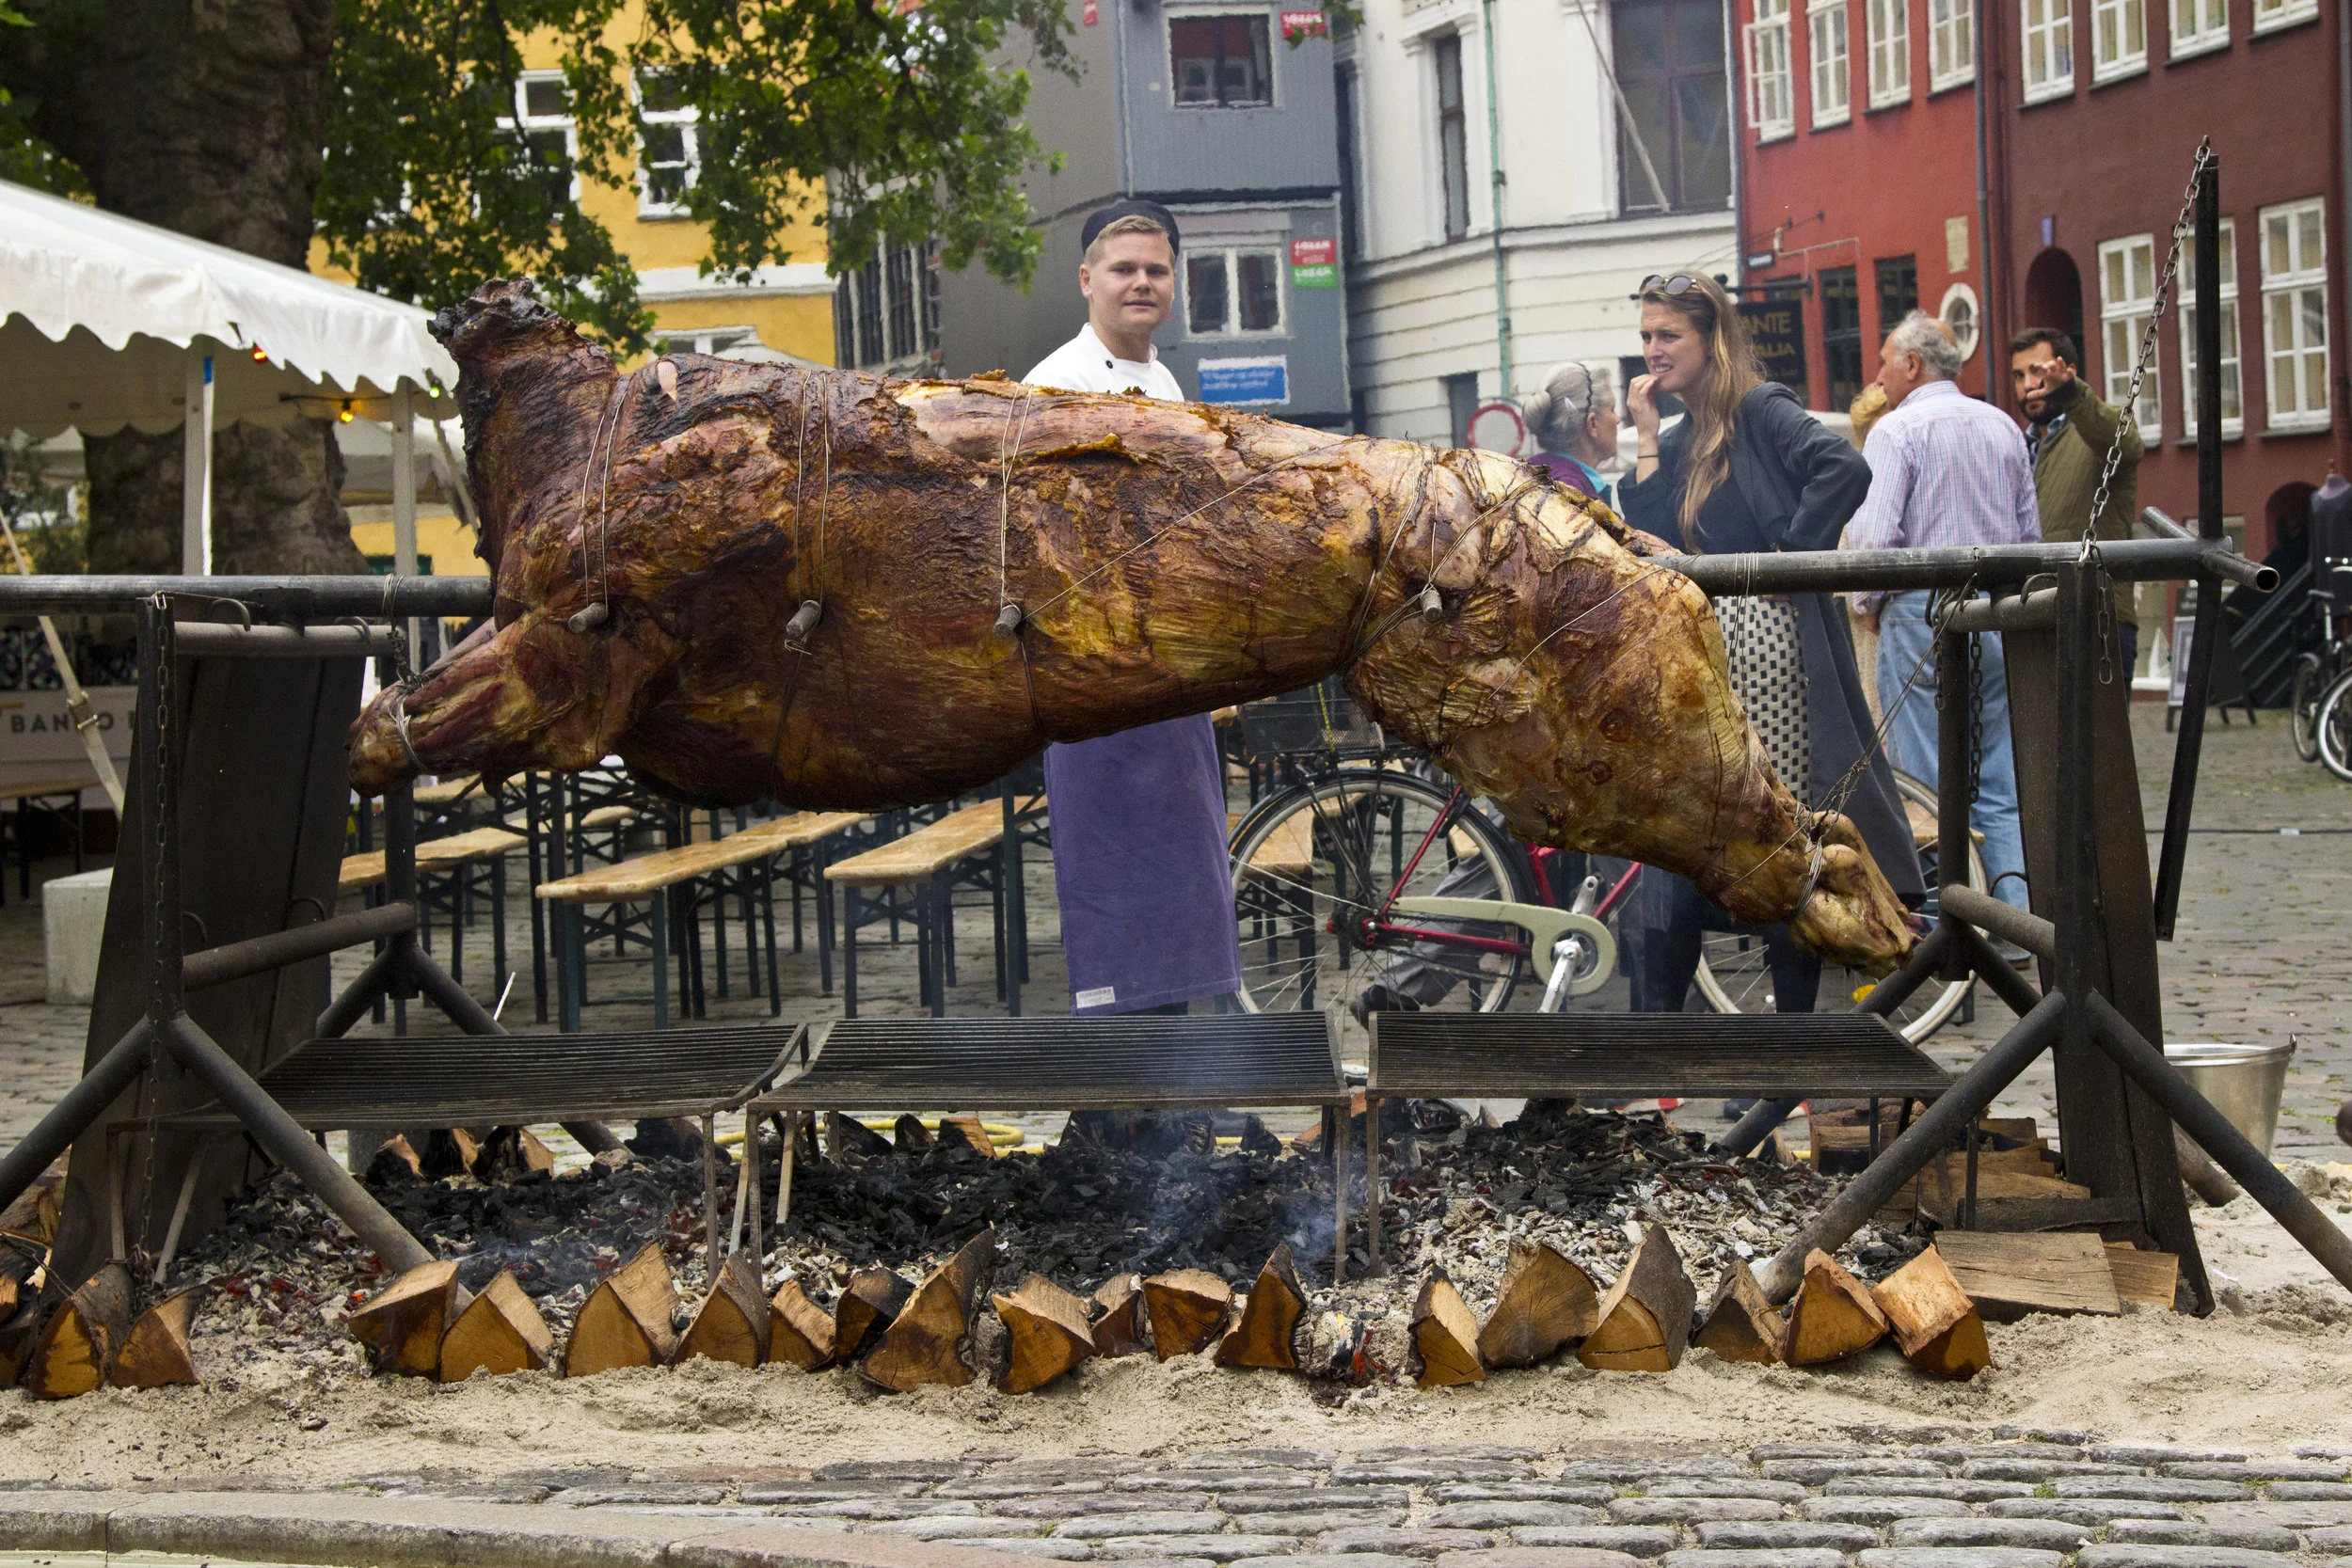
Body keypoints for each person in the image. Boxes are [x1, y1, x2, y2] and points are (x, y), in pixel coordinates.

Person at [1617, 272, 1922, 1018]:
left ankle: (1789, 1052)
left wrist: (1790, 556)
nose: (1653, 351)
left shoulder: (1759, 408)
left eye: (1668, 336)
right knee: (1679, 846)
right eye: (1646, 337)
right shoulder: (1689, 433)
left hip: (1771, 655)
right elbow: (1658, 533)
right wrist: (1650, 436)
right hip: (1706, 654)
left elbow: (1844, 466)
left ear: (1710, 338)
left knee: (1774, 842)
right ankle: (1665, 1054)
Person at [1022, 200, 1241, 1016]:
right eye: (1124, 269)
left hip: (1167, 673)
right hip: (1098, 679)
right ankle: (1129, 1106)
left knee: (1185, 896)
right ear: (1087, 281)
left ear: (1174, 283)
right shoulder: (1058, 384)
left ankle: (1183, 1099)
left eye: (1155, 269)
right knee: (1120, 898)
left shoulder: (1167, 381)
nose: (1141, 283)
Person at [1848, 310, 2040, 911]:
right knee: (1999, 782)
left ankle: (1947, 922)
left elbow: (1876, 540)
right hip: (1997, 612)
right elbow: (2030, 535)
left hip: (1920, 611)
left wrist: (1867, 606)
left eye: (1884, 363)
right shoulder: (2003, 426)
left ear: (1911, 364)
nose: (1878, 378)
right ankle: (2011, 920)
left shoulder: (1896, 430)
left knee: (1926, 786)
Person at [2010, 327, 2142, 672]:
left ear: (2066, 371)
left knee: (2101, 728)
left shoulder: (2097, 428)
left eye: (2037, 372)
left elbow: (2124, 445)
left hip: (2095, 616)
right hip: (2032, 620)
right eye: (2019, 375)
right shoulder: (2018, 447)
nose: (2027, 385)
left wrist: (2072, 394)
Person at [1519, 362, 1622, 508]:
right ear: (1592, 423)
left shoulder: (1530, 472)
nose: (1618, 420)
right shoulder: (1572, 491)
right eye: (1612, 409)